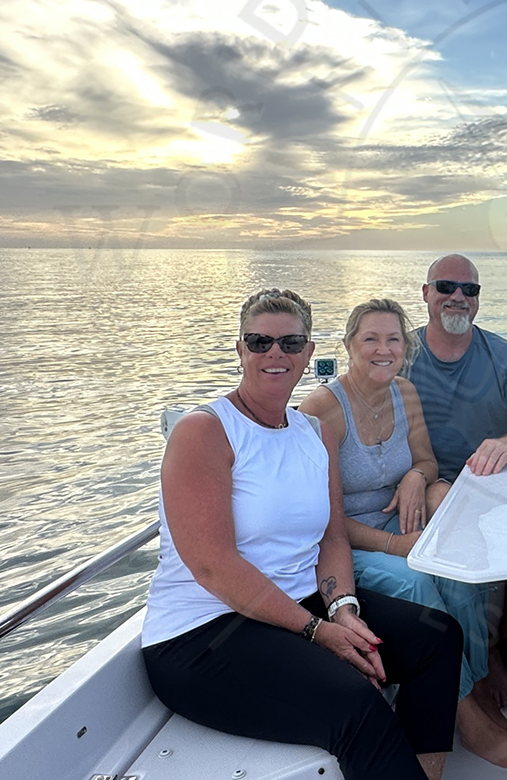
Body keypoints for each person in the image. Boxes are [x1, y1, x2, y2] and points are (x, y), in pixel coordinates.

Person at [142, 289, 463, 780]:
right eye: (260, 341)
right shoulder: (205, 431)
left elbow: (332, 537)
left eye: (291, 343)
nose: (276, 354)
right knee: (354, 701)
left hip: (303, 605)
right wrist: (316, 631)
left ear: (309, 353)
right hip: (205, 634)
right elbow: (212, 566)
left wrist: (343, 610)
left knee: (436, 640)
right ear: (240, 349)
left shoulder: (312, 432)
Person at [298, 299, 492, 728]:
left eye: (393, 339)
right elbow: (316, 517)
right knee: (416, 580)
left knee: (458, 569)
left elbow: (426, 461)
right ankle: (465, 714)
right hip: (346, 540)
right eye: (370, 338)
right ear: (349, 345)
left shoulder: (404, 392)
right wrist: (394, 545)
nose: (383, 349)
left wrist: (416, 478)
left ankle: (475, 682)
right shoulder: (323, 410)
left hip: (399, 521)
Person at [410, 254, 507, 769]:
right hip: (422, 488)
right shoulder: (400, 355)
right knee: (456, 564)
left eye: (468, 289)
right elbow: (356, 410)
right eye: (446, 286)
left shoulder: (501, 355)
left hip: (490, 486)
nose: (458, 297)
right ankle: (472, 688)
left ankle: (495, 656)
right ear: (425, 293)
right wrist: (424, 477)